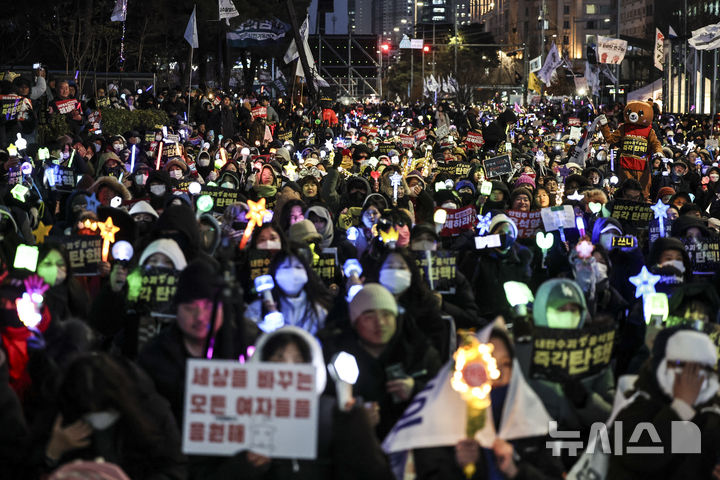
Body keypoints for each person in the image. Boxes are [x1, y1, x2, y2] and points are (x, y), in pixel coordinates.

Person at [322, 284, 442, 439]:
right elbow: (323, 405)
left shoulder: (420, 351)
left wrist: (415, 390)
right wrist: (353, 416)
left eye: (386, 314)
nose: (380, 323)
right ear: (355, 322)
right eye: (369, 316)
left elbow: (442, 398)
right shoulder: (335, 356)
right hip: (356, 447)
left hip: (411, 442)